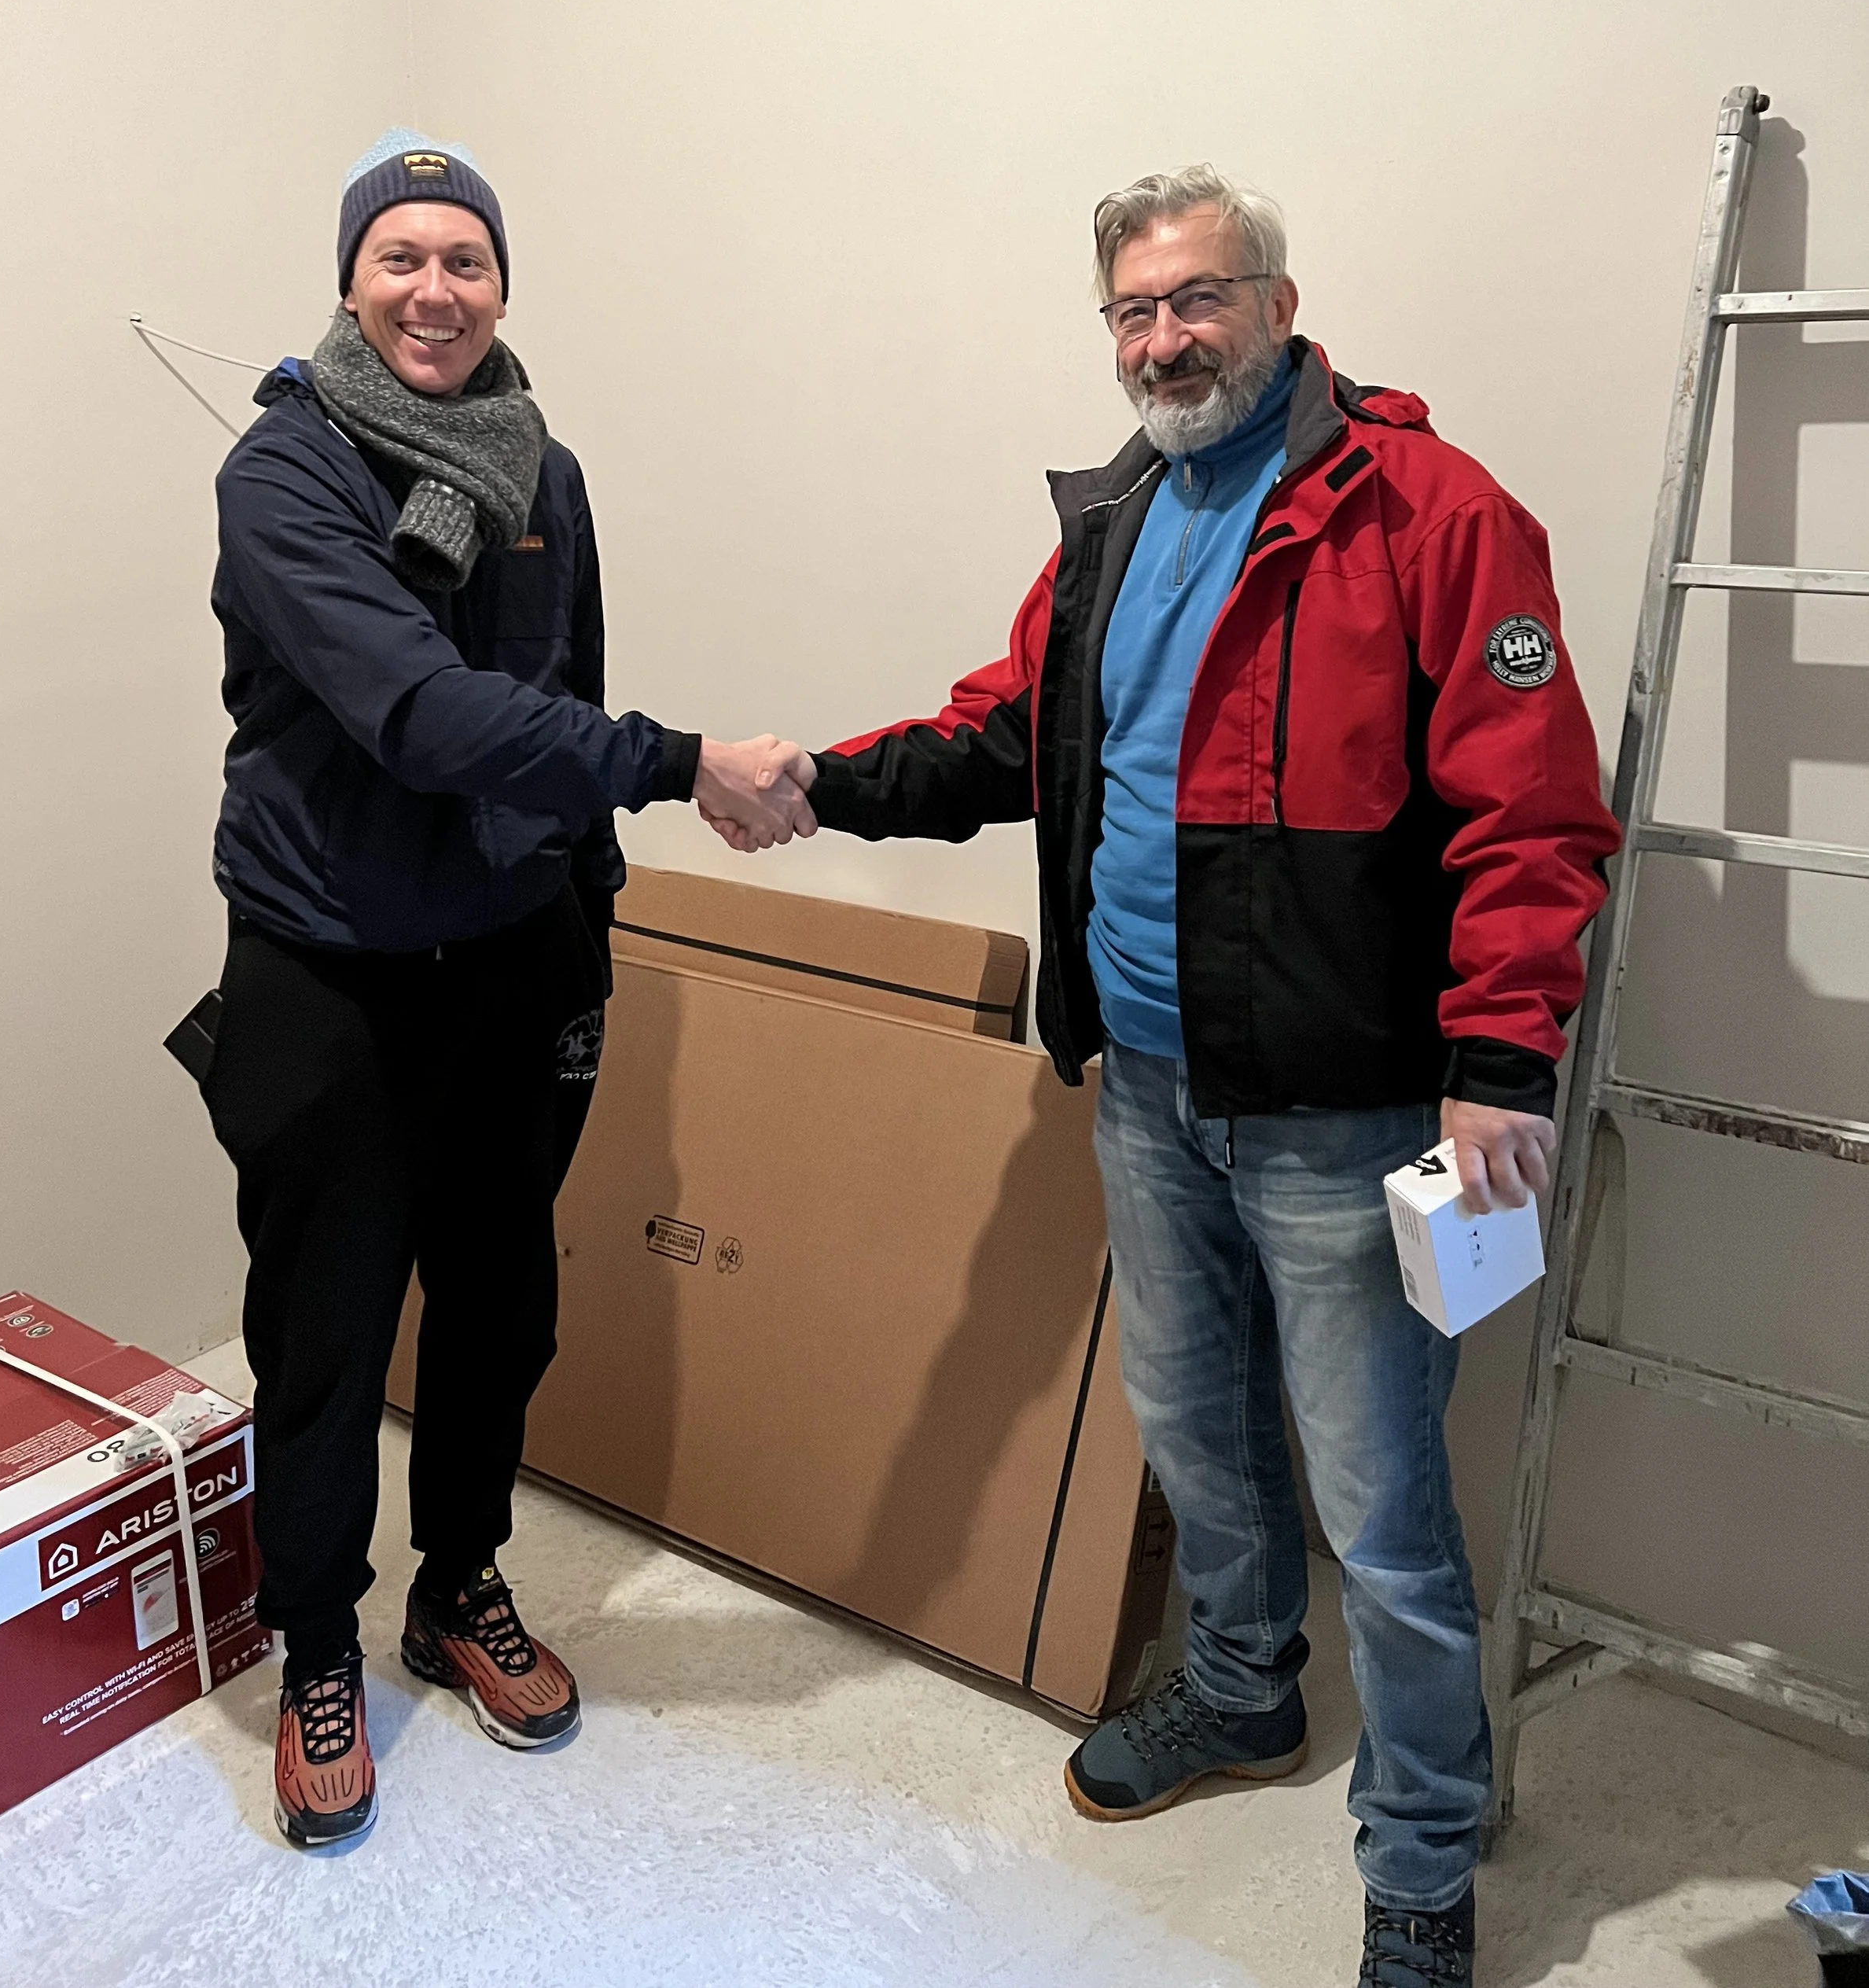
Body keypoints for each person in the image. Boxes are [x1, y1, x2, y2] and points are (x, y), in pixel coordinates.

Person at [708, 166, 1620, 1988]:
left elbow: (1529, 818)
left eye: (1196, 298)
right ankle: (1236, 1688)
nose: (1162, 337)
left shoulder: (1429, 512)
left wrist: (1498, 1058)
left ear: (1278, 303)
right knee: (1196, 1431)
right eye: (1130, 310)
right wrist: (813, 777)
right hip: (1142, 1081)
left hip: (1342, 1108)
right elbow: (1005, 731)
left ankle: (1424, 1858)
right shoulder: (1113, 518)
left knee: (1379, 1507)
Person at [204, 129, 811, 1850]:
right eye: (399, 255)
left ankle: (454, 1581)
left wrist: (586, 906)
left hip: (514, 961)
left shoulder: (543, 466)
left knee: (497, 1301)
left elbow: (559, 681)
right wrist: (679, 764)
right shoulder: (285, 473)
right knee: (323, 1336)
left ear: (500, 289)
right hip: (326, 965)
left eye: (464, 260)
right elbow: (413, 707)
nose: (433, 287)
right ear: (348, 279)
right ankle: (318, 1637)